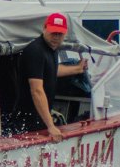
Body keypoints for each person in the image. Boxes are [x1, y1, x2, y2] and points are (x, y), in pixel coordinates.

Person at [8, 12, 89, 142]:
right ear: (44, 28)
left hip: (39, 118)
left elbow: (50, 70)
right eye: (53, 33)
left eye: (60, 34)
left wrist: (77, 69)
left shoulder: (52, 48)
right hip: (26, 121)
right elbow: (36, 90)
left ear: (65, 33)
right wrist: (51, 126)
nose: (56, 37)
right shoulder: (36, 51)